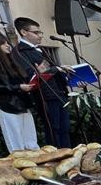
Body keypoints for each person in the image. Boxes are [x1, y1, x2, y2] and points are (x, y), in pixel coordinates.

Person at [11, 17, 71, 148]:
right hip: (45, 97)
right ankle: (57, 161)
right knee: (54, 129)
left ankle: (69, 157)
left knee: (65, 128)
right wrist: (55, 69)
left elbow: (50, 71)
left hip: (58, 93)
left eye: (40, 32)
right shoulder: (20, 52)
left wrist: (69, 80)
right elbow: (29, 75)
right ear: (23, 32)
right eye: (36, 32)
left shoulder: (39, 50)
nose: (40, 35)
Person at [0, 32, 38, 152]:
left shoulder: (12, 61)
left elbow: (23, 79)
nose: (7, 46)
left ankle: (38, 167)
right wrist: (18, 87)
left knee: (31, 142)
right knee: (17, 146)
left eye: (7, 43)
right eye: (3, 44)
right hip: (7, 106)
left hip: (23, 103)